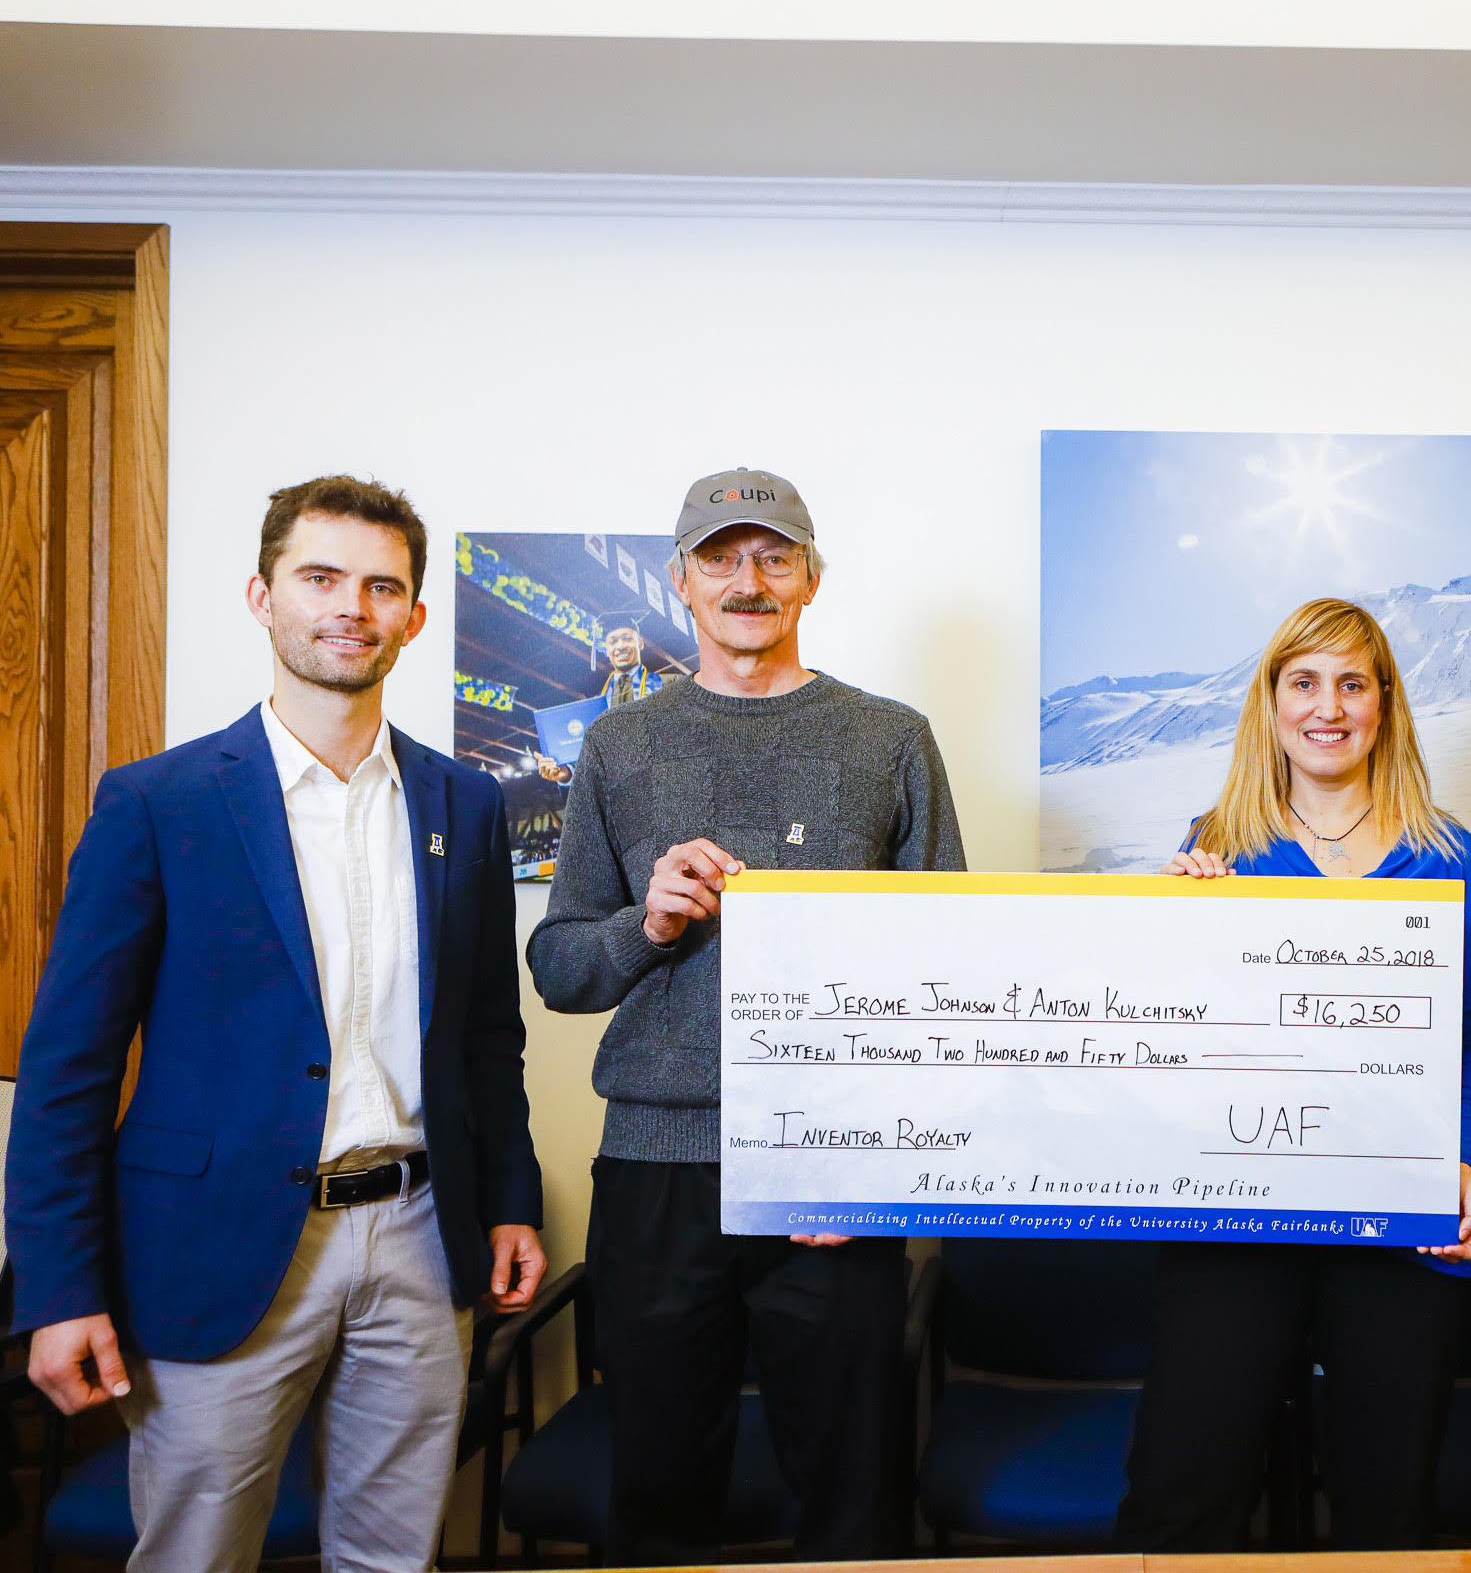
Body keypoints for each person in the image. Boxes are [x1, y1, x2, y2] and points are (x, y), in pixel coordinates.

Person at [6, 475, 547, 1572]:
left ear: (413, 616)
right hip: (215, 1250)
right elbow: (68, 1067)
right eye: (321, 577)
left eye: (380, 585)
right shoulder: (157, 802)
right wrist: (60, 1289)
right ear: (263, 595)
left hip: (419, 1234)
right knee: (196, 1554)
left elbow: (490, 1037)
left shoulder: (465, 805)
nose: (351, 604)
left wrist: (512, 1203)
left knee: (393, 1557)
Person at [527, 466, 966, 1565]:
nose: (748, 579)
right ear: (680, 580)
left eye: (773, 556)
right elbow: (560, 966)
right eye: (720, 557)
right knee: (660, 1488)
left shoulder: (892, 736)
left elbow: (951, 968)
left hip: (836, 1171)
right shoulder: (620, 748)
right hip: (660, 1163)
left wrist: (879, 1162)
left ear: (812, 578)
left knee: (857, 1491)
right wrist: (650, 924)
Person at [1110, 597, 1471, 1553]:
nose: (1327, 707)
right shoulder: (1217, 843)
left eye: (1351, 683)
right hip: (1236, 1215)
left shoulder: (1445, 851)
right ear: (1271, 703)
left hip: (1396, 1213)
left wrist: (1456, 1157)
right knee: (1184, 1492)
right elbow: (1164, 1035)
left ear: (1383, 706)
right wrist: (1164, 935)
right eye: (1304, 682)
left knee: (1388, 1501)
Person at [599, 622, 668, 709]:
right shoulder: (598, 701)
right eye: (613, 642)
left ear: (640, 643)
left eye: (627, 639)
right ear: (607, 649)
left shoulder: (669, 683)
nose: (620, 646)